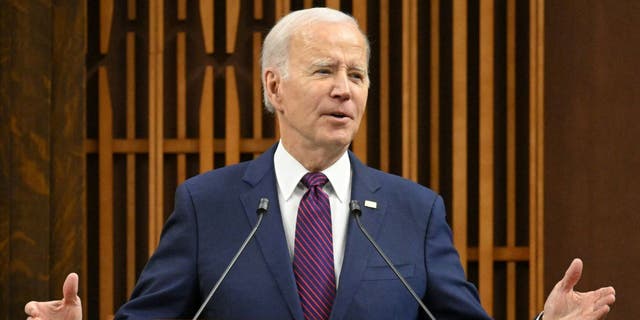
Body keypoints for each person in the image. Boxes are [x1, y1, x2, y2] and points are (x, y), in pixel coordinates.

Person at [25, 7, 615, 320]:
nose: (345, 89)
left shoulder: (415, 210)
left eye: (356, 74)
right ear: (274, 87)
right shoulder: (206, 205)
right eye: (324, 71)